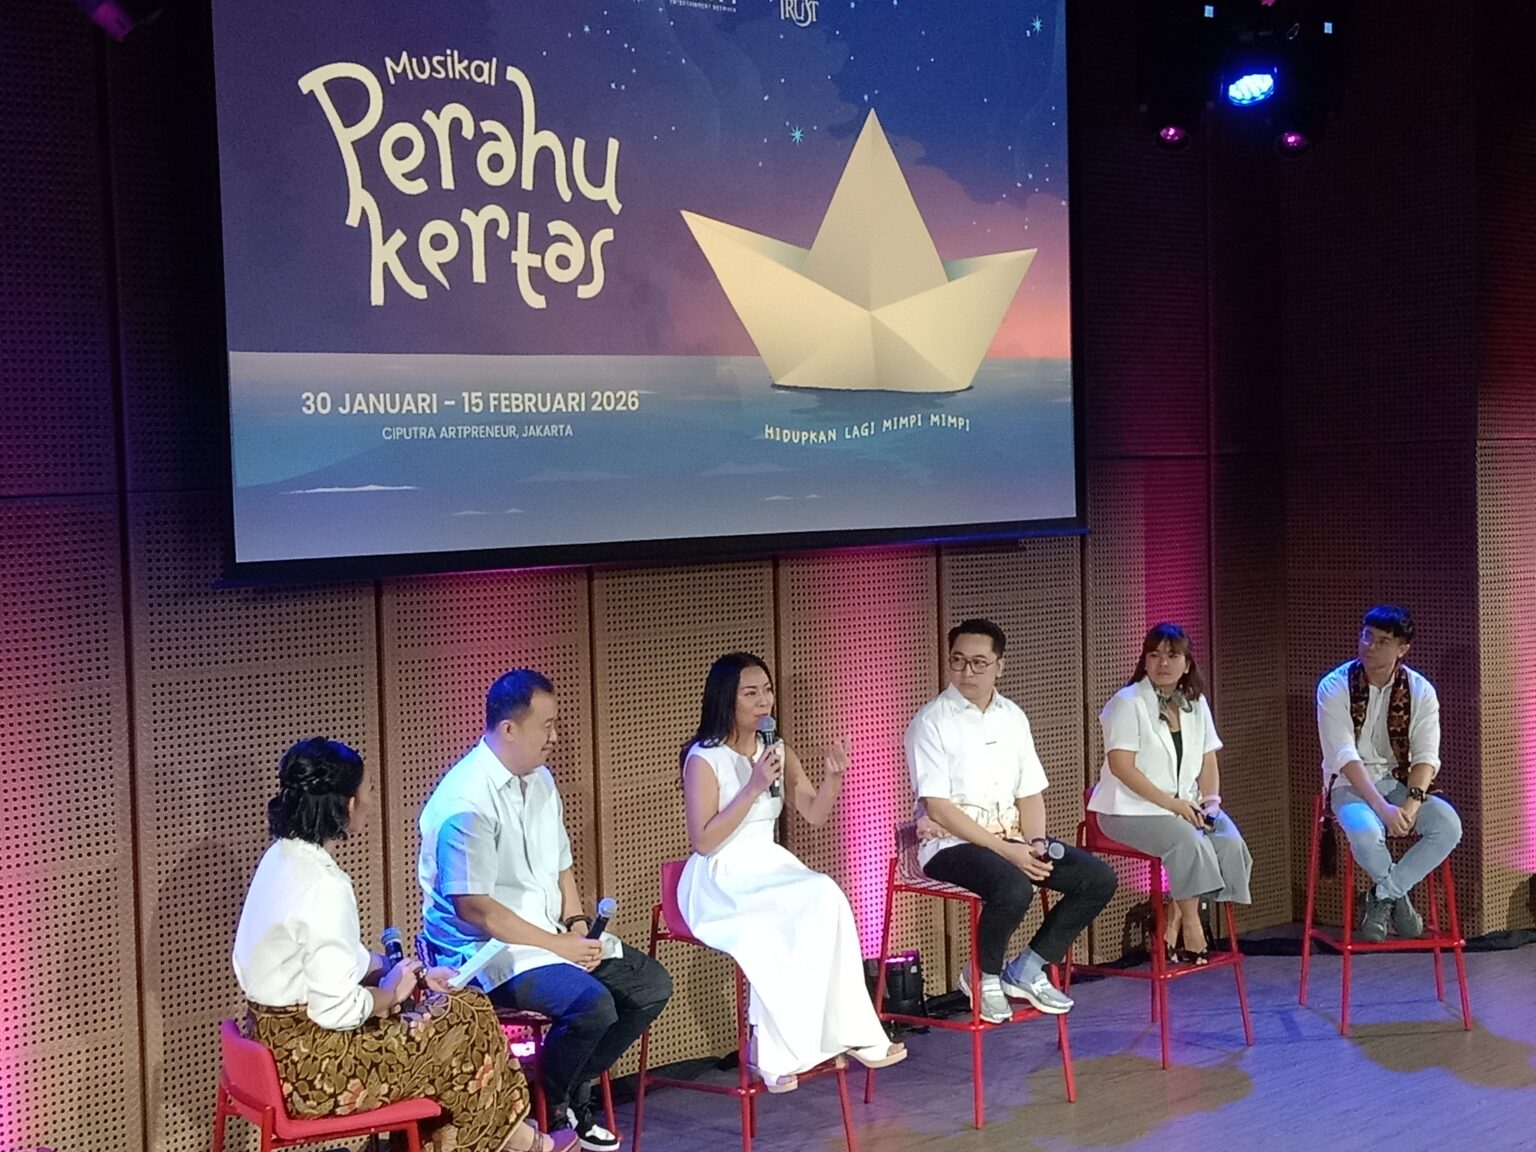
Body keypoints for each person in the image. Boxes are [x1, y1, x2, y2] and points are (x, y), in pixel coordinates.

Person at [233, 738, 572, 1152]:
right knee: (468, 1017)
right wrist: (392, 992)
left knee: (459, 1012)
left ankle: (511, 1140)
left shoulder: (281, 859)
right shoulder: (324, 884)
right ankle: (520, 1142)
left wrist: (418, 975)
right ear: (348, 804)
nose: (371, 802)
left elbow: (336, 960)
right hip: (316, 1071)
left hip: (274, 1050)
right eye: (368, 791)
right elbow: (337, 1010)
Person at [419, 670, 672, 1152]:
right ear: (509, 729)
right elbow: (477, 910)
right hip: (488, 951)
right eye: (548, 726)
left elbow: (561, 866)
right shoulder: (466, 801)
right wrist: (560, 946)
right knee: (592, 1005)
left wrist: (577, 926)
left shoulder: (540, 780)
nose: (555, 737)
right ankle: (553, 1106)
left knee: (649, 986)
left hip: (548, 934)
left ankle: (563, 1090)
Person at [677, 653, 907, 1093]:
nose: (763, 701)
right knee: (771, 924)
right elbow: (704, 841)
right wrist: (752, 788)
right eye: (750, 693)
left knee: (826, 894)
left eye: (766, 690)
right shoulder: (703, 759)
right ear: (726, 700)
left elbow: (814, 813)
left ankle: (855, 1031)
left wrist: (833, 779)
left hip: (769, 863)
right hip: (721, 874)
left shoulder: (777, 750)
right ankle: (771, 1051)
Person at [907, 619, 1118, 1023]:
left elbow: (1030, 794)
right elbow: (938, 807)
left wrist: (1034, 842)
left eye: (979, 663)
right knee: (1013, 885)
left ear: (999, 666)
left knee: (1096, 878)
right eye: (958, 661)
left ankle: (1028, 966)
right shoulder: (931, 722)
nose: (967, 672)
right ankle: (982, 974)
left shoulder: (1013, 717)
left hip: (1013, 839)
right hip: (950, 844)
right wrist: (1009, 851)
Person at [1087, 623, 1252, 965]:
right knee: (1187, 842)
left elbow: (1208, 759)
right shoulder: (1127, 703)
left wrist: (1212, 803)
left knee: (1228, 841)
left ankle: (1172, 918)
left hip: (1183, 806)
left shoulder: (1196, 703)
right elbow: (1121, 767)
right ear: (1145, 661)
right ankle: (1192, 925)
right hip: (1127, 810)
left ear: (1187, 664)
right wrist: (1173, 805)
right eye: (1155, 655)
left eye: (1172, 656)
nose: (1163, 663)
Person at [1316, 605, 1462, 943]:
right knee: (1365, 834)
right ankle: (1399, 898)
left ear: (1402, 649)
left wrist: (1410, 805)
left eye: (1382, 641)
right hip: (1350, 785)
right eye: (1367, 636)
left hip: (1400, 783)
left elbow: (1426, 757)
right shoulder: (1334, 686)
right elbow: (1343, 755)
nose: (1370, 646)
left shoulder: (1420, 691)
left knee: (1448, 826)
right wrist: (1383, 809)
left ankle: (1381, 895)